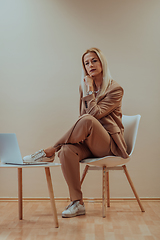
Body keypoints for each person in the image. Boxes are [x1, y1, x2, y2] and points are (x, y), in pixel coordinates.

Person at [23, 47, 129, 218]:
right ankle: (77, 202)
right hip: (89, 141)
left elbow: (93, 115)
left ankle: (50, 150)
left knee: (88, 120)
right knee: (66, 151)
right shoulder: (84, 88)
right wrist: (87, 89)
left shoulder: (115, 89)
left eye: (94, 60)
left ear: (102, 62)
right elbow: (82, 117)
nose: (90, 65)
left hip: (108, 145)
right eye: (86, 63)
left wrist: (90, 89)